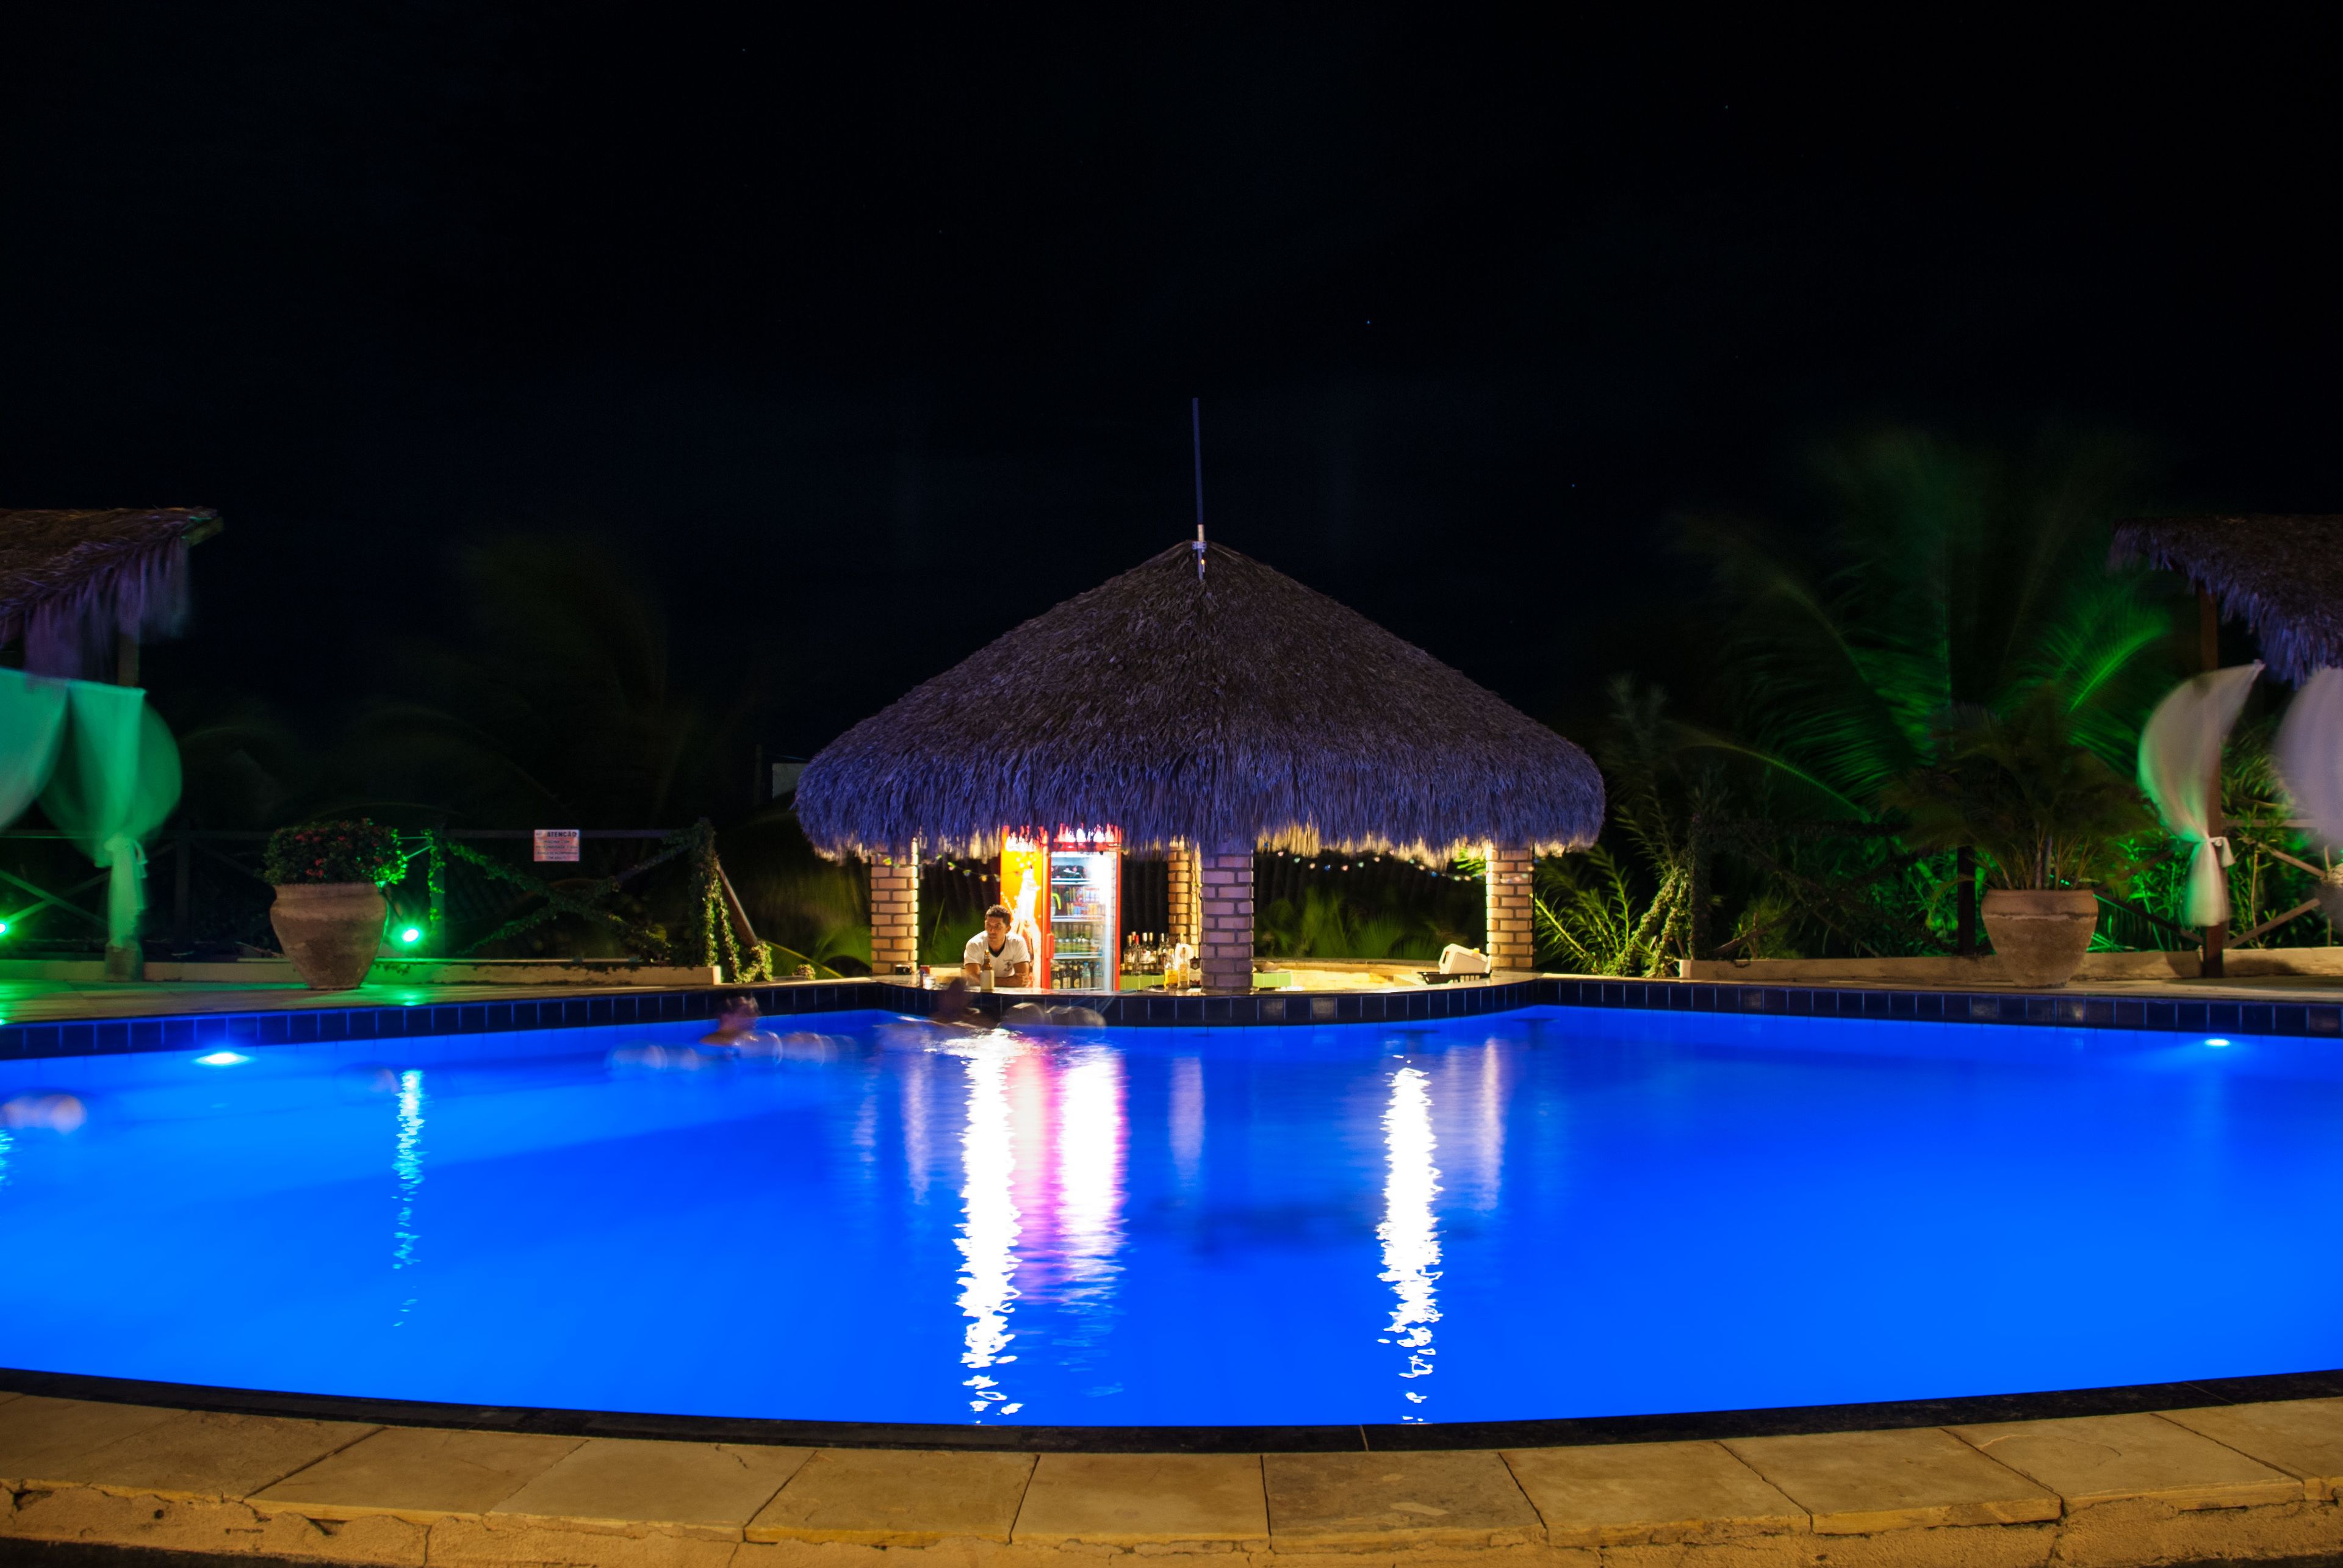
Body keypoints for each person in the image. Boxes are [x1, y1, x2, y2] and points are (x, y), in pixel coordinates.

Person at [963, 903, 1033, 987]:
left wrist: (985, 980)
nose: (992, 931)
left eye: (997, 926)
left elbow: (1022, 979)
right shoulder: (975, 944)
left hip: (1007, 993)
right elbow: (973, 979)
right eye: (988, 925)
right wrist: (1009, 982)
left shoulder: (1017, 943)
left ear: (1008, 929)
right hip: (979, 993)